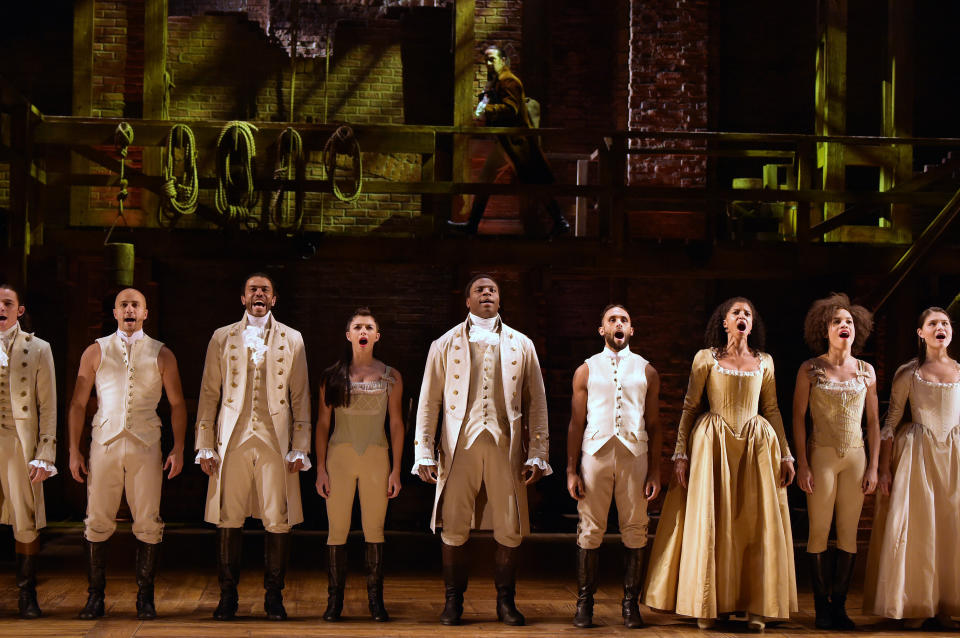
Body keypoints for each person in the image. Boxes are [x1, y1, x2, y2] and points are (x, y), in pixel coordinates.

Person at [644, 297, 797, 632]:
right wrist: (680, 453)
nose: (742, 317)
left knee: (754, 523)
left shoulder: (765, 362)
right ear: (724, 322)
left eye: (748, 314)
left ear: (751, 325)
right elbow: (689, 406)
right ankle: (709, 603)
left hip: (756, 442)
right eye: (736, 313)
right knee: (713, 522)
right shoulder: (706, 359)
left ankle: (756, 604)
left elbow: (771, 408)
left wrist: (786, 453)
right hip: (712, 441)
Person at [413, 274, 550, 626]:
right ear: (467, 301)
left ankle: (506, 602)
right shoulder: (443, 344)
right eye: (479, 289)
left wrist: (538, 450)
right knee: (454, 524)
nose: (487, 293)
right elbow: (429, 401)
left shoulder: (523, 344)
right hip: (460, 446)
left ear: (499, 301)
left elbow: (537, 403)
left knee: (509, 525)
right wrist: (423, 451)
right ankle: (453, 602)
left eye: (492, 290)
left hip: (506, 447)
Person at [195, 272, 311, 622]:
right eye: (252, 289)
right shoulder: (222, 337)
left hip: (275, 437)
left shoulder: (293, 338)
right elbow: (209, 393)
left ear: (273, 300)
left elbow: (301, 395)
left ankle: (274, 597)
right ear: (243, 298)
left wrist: (300, 445)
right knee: (228, 516)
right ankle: (227, 596)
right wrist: (204, 444)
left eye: (265, 290)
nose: (258, 294)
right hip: (232, 437)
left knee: (278, 517)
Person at [68, 287, 187, 620]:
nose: (130, 309)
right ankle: (95, 597)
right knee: (97, 518)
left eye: (136, 305)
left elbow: (177, 404)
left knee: (148, 519)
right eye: (124, 304)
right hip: (104, 442)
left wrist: (178, 448)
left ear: (145, 313)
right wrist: (73, 450)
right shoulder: (96, 351)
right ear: (116, 312)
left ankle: (145, 598)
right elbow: (78, 403)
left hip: (146, 443)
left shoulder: (162, 353)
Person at [863, 307, 960, 629]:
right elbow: (890, 422)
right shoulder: (910, 373)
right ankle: (919, 603)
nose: (940, 327)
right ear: (921, 333)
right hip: (919, 454)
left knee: (950, 528)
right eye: (932, 324)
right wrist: (885, 469)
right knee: (922, 529)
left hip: (955, 457)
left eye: (944, 323)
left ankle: (946, 603)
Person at [566, 304, 662, 629]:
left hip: (635, 454)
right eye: (612, 319)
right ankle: (584, 604)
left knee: (636, 527)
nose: (618, 324)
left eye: (624, 320)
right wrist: (571, 470)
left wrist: (655, 471)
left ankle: (630, 605)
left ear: (631, 330)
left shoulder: (647, 370)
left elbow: (655, 423)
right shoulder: (586, 369)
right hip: (595, 453)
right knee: (590, 528)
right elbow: (576, 423)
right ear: (602, 329)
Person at [792, 294, 879, 630]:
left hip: (855, 456)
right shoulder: (810, 368)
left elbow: (873, 422)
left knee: (847, 533)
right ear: (824, 329)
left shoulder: (866, 371)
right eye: (837, 321)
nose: (844, 326)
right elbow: (798, 417)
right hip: (821, 456)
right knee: (817, 532)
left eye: (849, 322)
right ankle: (820, 608)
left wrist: (873, 466)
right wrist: (803, 463)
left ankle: (839, 606)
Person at [315, 308, 404, 622]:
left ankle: (376, 602)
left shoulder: (391, 376)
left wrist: (395, 469)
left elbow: (396, 424)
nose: (363, 330)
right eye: (357, 326)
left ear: (376, 336)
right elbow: (323, 425)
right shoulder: (331, 376)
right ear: (349, 335)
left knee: (374, 530)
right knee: (336, 530)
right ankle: (334, 601)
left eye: (369, 326)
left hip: (377, 458)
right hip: (339, 458)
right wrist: (321, 468)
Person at [447, 45, 570, 237]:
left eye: (492, 59)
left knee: (535, 182)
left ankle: (560, 221)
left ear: (503, 60)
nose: (488, 64)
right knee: (487, 179)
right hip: (506, 143)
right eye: (486, 60)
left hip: (517, 144)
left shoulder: (509, 81)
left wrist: (486, 110)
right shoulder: (498, 82)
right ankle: (472, 224)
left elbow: (510, 109)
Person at [0, 284, 56, 619]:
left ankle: (27, 593)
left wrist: (45, 452)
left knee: (26, 520)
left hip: (19, 442)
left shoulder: (38, 349)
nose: (1, 308)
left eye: (8, 303)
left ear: (19, 309)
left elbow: (47, 406)